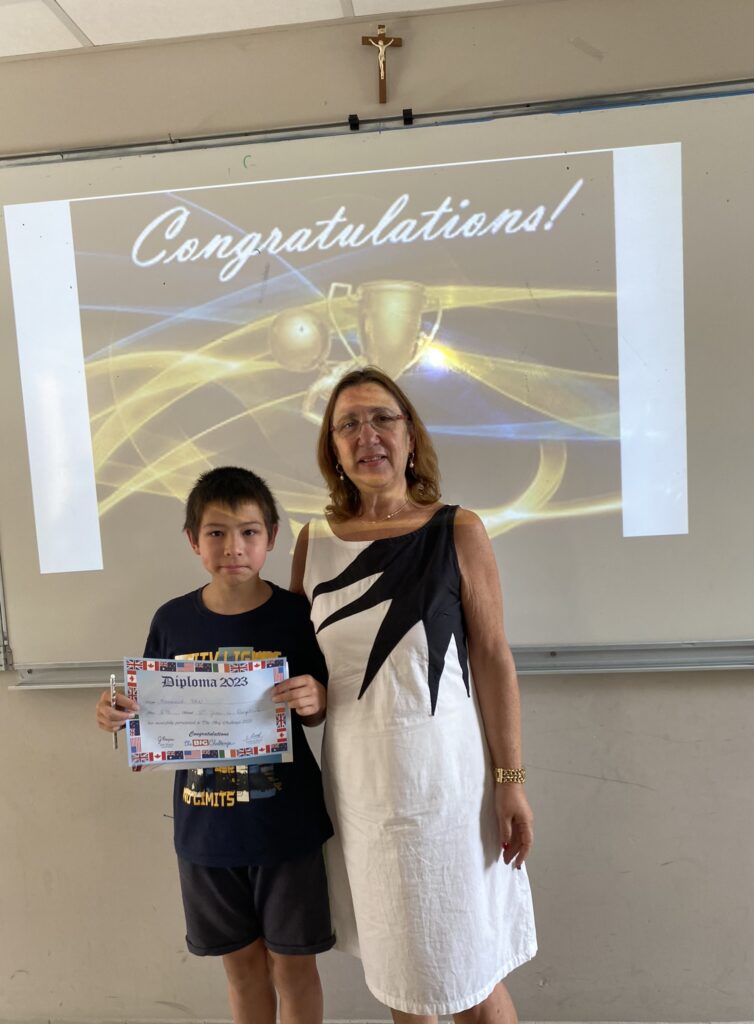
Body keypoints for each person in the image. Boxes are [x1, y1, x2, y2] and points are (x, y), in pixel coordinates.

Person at [290, 366, 537, 1023]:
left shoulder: (458, 530)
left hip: (449, 790)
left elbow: (493, 660)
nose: (366, 435)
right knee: (404, 979)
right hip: (362, 795)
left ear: (409, 435)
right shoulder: (313, 543)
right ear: (333, 448)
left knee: (470, 979)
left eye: (382, 418)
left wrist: (511, 781)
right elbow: (306, 674)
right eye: (348, 424)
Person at [96, 467, 334, 1024]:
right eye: (216, 533)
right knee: (242, 970)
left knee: (294, 969)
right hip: (205, 831)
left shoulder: (297, 616)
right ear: (193, 540)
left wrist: (315, 698)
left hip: (287, 828)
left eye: (249, 532)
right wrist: (116, 714)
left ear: (271, 537)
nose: (234, 547)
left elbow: (320, 710)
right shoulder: (172, 620)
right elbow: (148, 710)